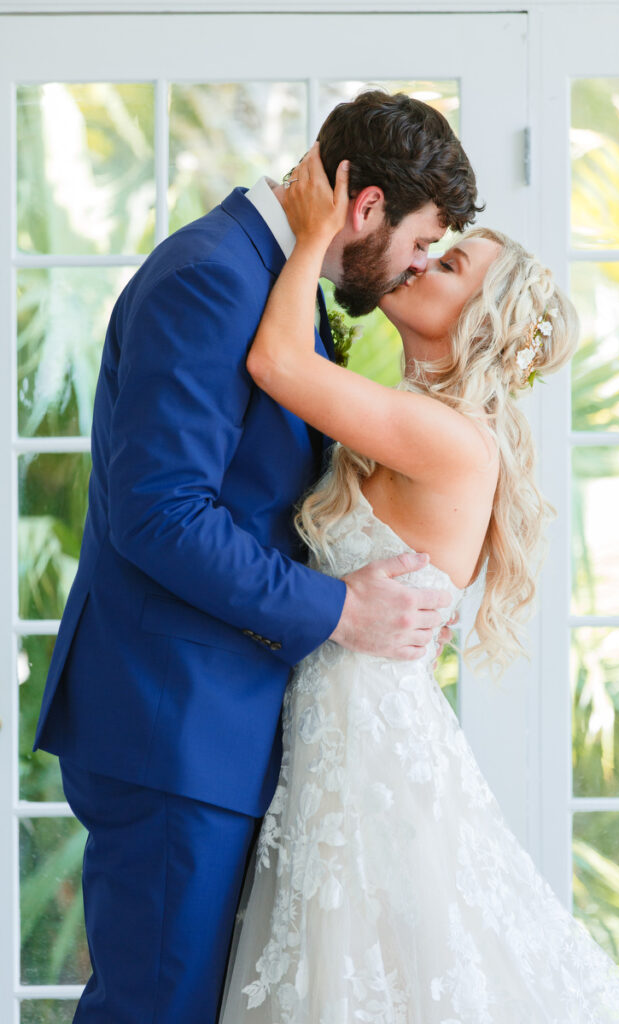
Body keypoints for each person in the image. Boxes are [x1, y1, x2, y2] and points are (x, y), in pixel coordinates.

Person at [32, 92, 480, 1023]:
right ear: (364, 210)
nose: (415, 267)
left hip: (217, 730)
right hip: (173, 731)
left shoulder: (267, 282)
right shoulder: (211, 277)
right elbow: (160, 515)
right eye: (420, 241)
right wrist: (340, 610)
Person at [219, 146, 619, 1023]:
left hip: (369, 743)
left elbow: (275, 367)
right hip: (335, 730)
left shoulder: (449, 438)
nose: (419, 259)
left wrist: (313, 236)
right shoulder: (414, 422)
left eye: (448, 264)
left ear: (482, 319)